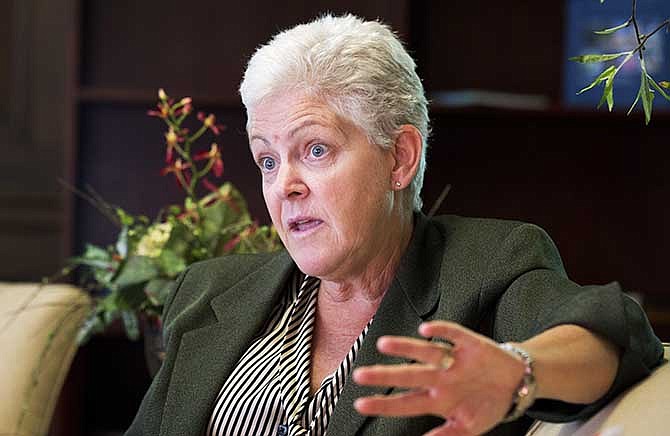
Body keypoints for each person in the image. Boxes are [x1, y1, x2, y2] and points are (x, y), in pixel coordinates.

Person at [125, 14, 663, 436]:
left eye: (315, 149)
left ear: (400, 158)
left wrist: (517, 372)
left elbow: (613, 333)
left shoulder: (485, 266)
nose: (283, 184)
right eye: (268, 159)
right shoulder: (209, 291)